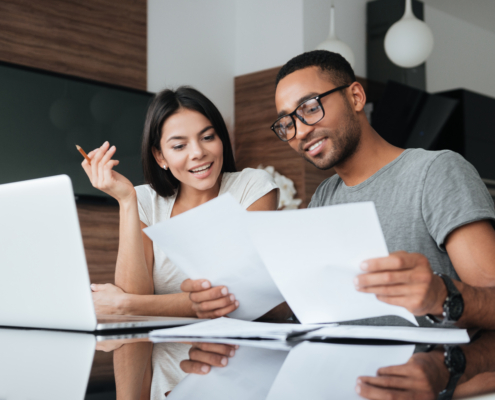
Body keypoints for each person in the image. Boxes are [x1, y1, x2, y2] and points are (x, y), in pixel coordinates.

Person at [184, 50, 495, 328]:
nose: (301, 131)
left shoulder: (435, 172)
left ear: (356, 97)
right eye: (286, 123)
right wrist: (227, 300)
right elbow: (310, 302)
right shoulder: (324, 196)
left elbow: (490, 298)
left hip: (431, 382)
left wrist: (439, 295)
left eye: (309, 107)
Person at [81, 86, 280, 393]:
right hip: (160, 373)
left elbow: (239, 299)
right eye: (179, 145)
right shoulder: (145, 200)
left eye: (207, 137)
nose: (198, 152)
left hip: (236, 368)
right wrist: (126, 201)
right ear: (160, 157)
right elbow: (137, 303)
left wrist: (124, 304)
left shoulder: (252, 187)